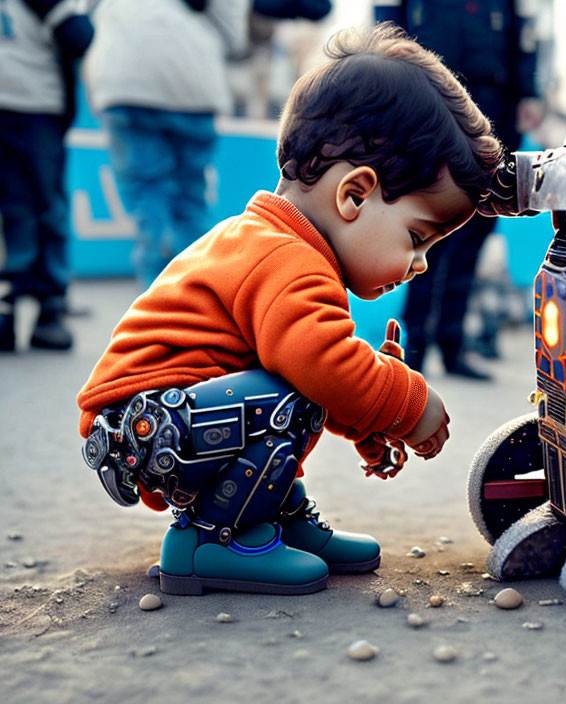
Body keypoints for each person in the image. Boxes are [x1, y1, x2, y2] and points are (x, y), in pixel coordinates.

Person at [77, 24, 502, 596]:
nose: (420, 263)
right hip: (151, 428)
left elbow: (316, 374)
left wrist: (368, 420)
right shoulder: (285, 258)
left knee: (290, 388)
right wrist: (405, 402)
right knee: (291, 393)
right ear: (354, 194)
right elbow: (321, 364)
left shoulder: (277, 243)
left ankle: (271, 515)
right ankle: (213, 540)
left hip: (163, 422)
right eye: (416, 237)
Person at [375, 0, 543, 379]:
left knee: (477, 225)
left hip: (494, 101)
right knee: (426, 224)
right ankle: (411, 347)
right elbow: (386, 20)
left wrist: (529, 92)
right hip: (430, 99)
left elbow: (526, 32)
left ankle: (452, 345)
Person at [82, 0, 251, 290]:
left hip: (124, 77)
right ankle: (195, 296)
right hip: (192, 82)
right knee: (191, 199)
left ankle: (153, 299)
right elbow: (234, 37)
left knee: (147, 196)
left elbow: (83, 15)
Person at [0, 0, 94, 351]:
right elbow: (79, 36)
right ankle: (48, 309)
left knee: (18, 208)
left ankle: (14, 306)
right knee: (44, 207)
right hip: (34, 105)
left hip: (29, 106)